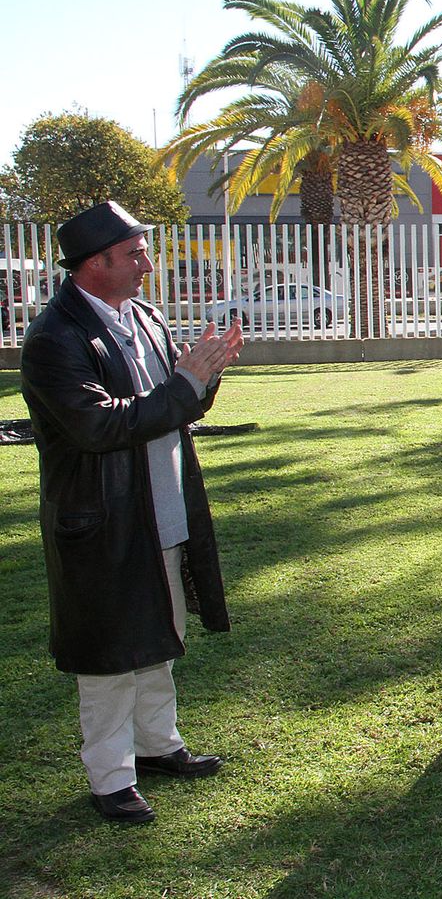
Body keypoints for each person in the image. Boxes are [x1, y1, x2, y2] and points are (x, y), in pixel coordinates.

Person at [20, 201, 244, 824]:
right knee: (111, 652)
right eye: (135, 253)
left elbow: (180, 404)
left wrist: (205, 372)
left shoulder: (142, 316)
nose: (149, 263)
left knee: (160, 635)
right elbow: (100, 426)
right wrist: (183, 383)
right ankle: (111, 776)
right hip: (105, 521)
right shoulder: (53, 340)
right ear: (96, 264)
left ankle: (157, 746)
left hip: (161, 507)